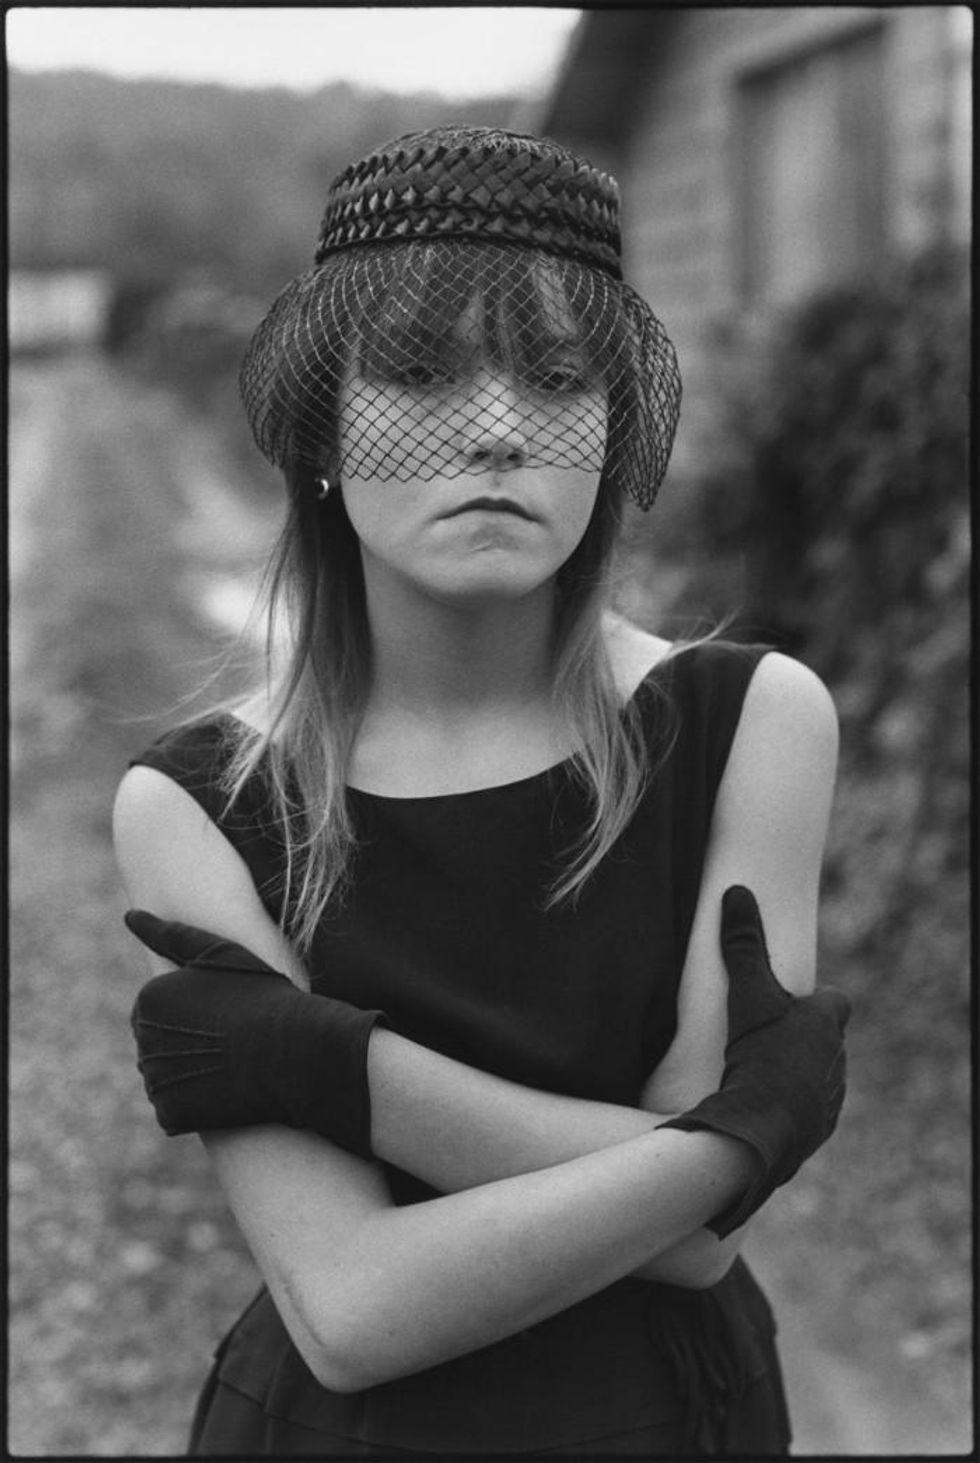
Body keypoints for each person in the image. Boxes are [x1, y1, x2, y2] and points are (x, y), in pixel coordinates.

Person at [113, 125, 848, 1457]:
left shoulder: (751, 721)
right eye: (416, 374)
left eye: (560, 381)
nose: (499, 428)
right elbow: (352, 1310)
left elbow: (697, 1247)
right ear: (323, 430)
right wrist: (735, 1142)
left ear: (613, 435)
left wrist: (330, 1065)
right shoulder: (198, 803)